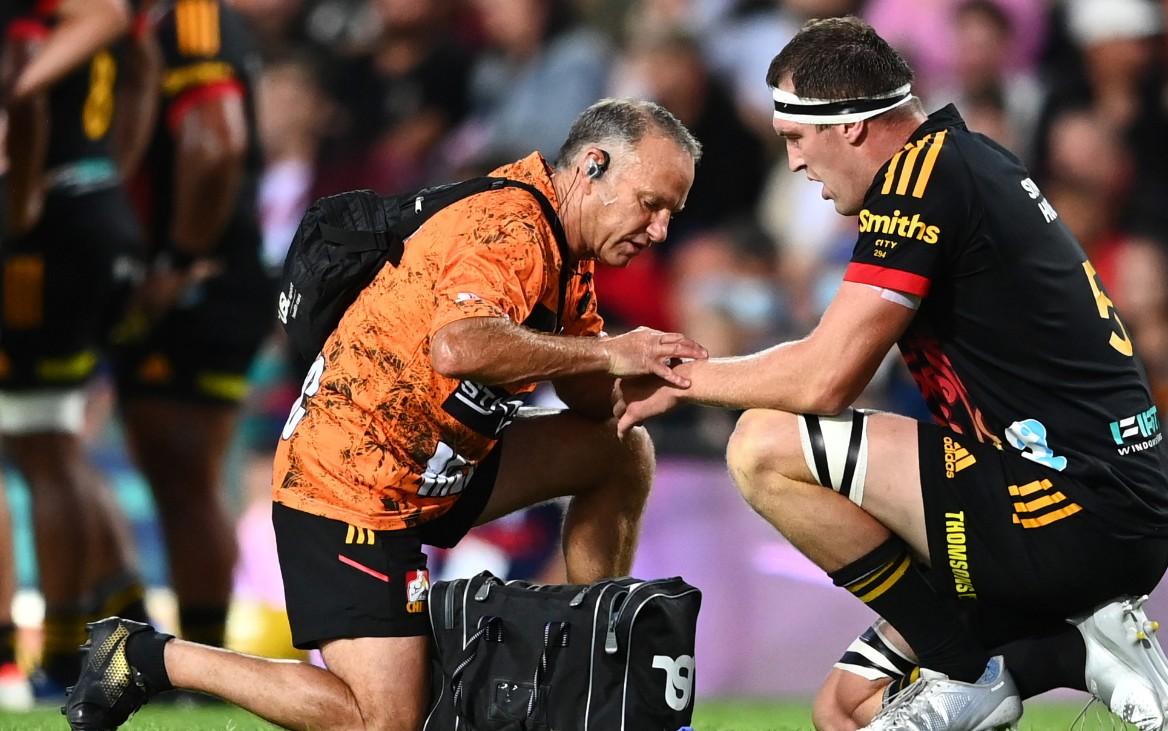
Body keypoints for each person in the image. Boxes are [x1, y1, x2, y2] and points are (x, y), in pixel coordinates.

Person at [615, 18, 1168, 731]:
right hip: (1082, 504)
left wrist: (670, 374)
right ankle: (1076, 655)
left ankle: (975, 669)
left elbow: (823, 378)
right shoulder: (965, 160)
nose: (796, 163)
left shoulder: (925, 179)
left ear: (852, 127)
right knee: (846, 706)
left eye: (796, 137)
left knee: (763, 445)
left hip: (1070, 509)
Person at [63, 97, 704, 731]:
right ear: (591, 166)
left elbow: (590, 398)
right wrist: (610, 351)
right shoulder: (506, 224)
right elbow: (459, 345)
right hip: (349, 486)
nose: (659, 231)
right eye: (652, 205)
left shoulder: (569, 248)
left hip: (441, 464)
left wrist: (646, 379)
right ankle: (146, 655)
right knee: (383, 722)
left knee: (620, 448)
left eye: (671, 213)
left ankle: (587, 664)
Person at [110, 0, 276, 655]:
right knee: (166, 470)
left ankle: (204, 659)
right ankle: (140, 640)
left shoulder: (194, 16)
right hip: (165, 276)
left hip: (199, 277)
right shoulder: (156, 21)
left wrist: (176, 261)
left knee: (185, 474)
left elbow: (218, 141)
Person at [0, 0, 153, 697]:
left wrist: (25, 203)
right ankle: (126, 621)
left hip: (51, 228)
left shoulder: (33, 21)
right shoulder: (97, 18)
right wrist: (109, 174)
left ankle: (59, 657)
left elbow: (23, 89)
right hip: (96, 209)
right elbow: (138, 58)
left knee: (41, 444)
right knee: (50, 443)